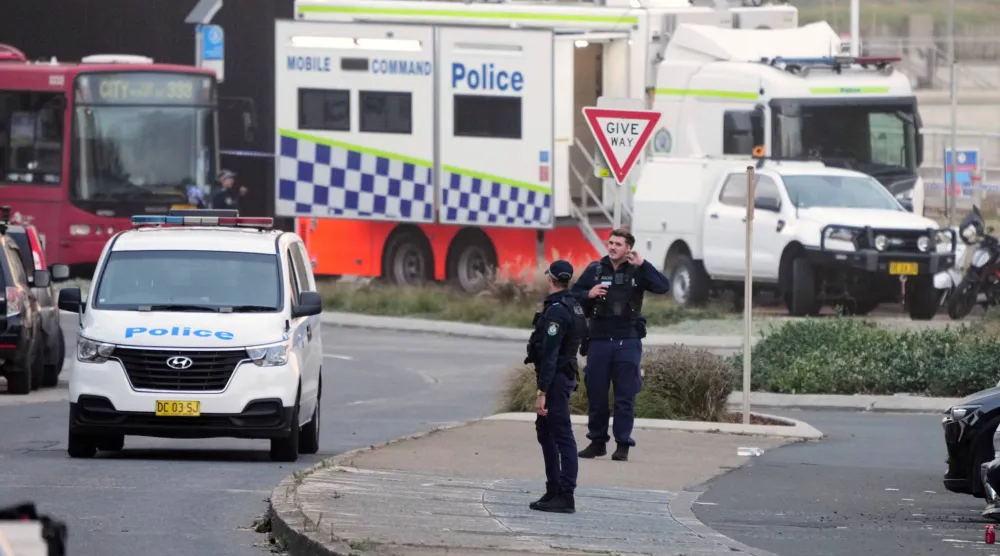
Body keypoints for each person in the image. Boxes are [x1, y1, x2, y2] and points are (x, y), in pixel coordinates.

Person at [570, 228, 670, 462]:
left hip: (628, 340)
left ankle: (622, 444)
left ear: (628, 248)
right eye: (610, 243)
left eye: (618, 244)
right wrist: (589, 294)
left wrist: (643, 264)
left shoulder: (637, 270)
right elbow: (572, 295)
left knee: (625, 396)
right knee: (596, 394)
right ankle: (597, 442)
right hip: (599, 340)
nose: (612, 247)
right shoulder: (596, 269)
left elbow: (662, 286)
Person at [524, 260, 587, 514]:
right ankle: (553, 489)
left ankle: (565, 494)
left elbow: (550, 354)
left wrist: (542, 392)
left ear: (550, 278)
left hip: (557, 378)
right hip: (564, 375)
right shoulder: (574, 306)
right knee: (546, 432)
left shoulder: (558, 310)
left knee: (561, 434)